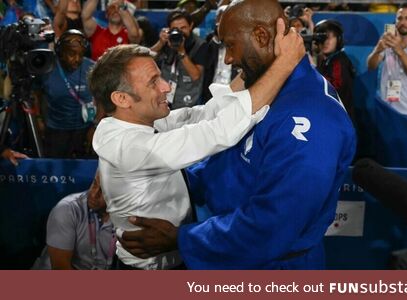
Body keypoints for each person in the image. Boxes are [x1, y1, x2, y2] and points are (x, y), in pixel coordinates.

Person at [119, 0, 356, 270]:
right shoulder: (264, 90)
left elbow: (272, 224)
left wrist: (182, 238)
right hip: (228, 254)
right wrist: (151, 183)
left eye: (231, 45)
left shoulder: (312, 117)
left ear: (261, 36)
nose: (229, 58)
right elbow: (224, 163)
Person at [90, 27, 305, 270]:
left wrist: (253, 64)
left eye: (160, 77)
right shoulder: (129, 148)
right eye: (153, 82)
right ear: (122, 99)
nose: (166, 87)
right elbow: (219, 131)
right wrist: (285, 63)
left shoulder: (139, 122)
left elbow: (208, 113)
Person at [32, 172, 116, 270]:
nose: (93, 194)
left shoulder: (131, 217)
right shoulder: (67, 209)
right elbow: (61, 269)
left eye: (103, 191)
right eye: (94, 183)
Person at [34, 29, 95, 158]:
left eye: (81, 54)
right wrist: (38, 119)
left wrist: (95, 126)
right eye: (72, 54)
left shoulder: (92, 68)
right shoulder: (46, 68)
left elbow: (102, 98)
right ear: (60, 52)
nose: (77, 59)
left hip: (85, 131)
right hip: (56, 132)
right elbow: (36, 93)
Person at [152, 10, 208, 109]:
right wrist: (160, 43)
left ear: (191, 26)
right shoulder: (166, 40)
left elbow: (195, 76)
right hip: (164, 97)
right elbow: (147, 59)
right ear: (169, 29)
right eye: (175, 29)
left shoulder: (200, 45)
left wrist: (181, 51)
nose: (180, 32)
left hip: (187, 101)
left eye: (183, 28)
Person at [314, 19, 356, 123]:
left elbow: (332, 89)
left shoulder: (339, 61)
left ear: (339, 39)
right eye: (323, 38)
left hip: (338, 119)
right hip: (330, 116)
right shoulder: (327, 60)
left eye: (330, 37)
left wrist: (313, 69)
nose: (326, 42)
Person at [201, 5, 239, 102]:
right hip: (212, 92)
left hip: (233, 90)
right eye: (220, 18)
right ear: (216, 21)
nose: (223, 22)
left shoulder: (241, 41)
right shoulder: (210, 42)